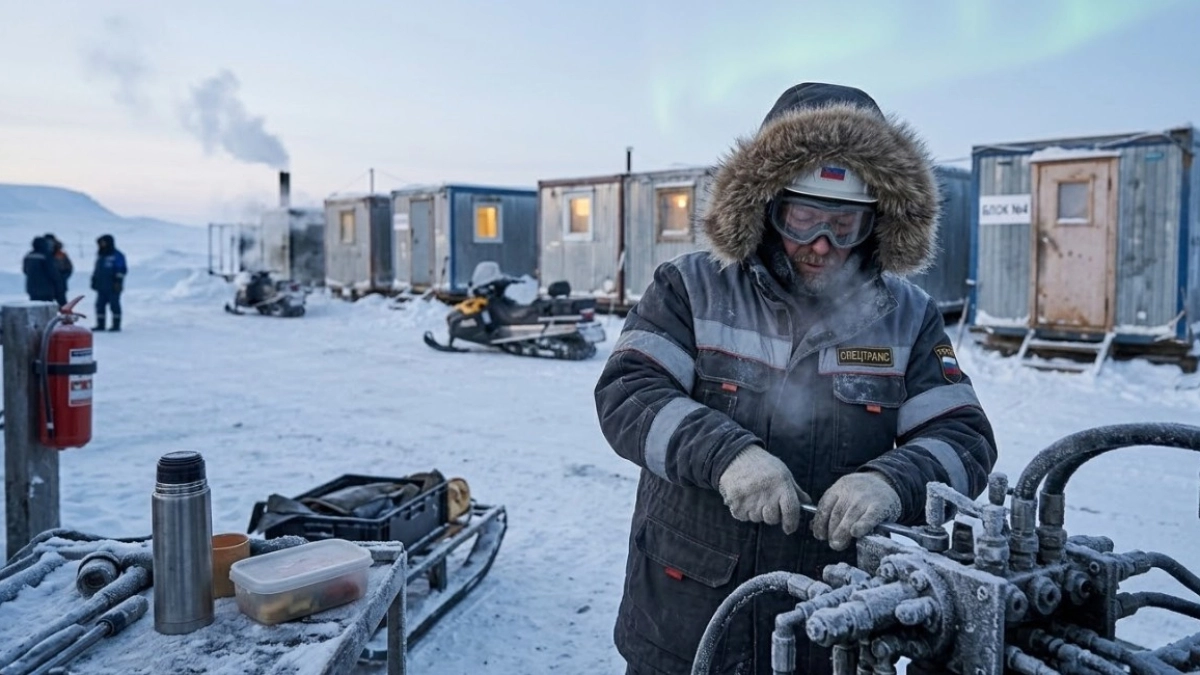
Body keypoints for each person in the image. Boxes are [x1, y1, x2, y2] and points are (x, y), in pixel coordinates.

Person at [594, 82, 998, 675]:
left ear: (879, 222)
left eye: (844, 223)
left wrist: (893, 482)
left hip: (830, 626)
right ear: (765, 205)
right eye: (803, 218)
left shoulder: (908, 316)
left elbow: (964, 436)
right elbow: (628, 393)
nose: (822, 245)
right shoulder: (691, 287)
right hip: (687, 618)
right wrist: (727, 456)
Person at [90, 233, 127, 332]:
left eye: (103, 242)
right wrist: (94, 280)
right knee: (99, 305)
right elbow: (97, 269)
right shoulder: (100, 255)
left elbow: (121, 269)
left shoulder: (117, 255)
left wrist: (118, 282)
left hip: (113, 286)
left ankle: (116, 325)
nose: (102, 244)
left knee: (114, 305)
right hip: (101, 286)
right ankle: (100, 325)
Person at [23, 236, 67, 307]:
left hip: (32, 289)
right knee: (46, 309)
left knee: (35, 308)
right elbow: (53, 273)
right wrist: (60, 288)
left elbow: (25, 270)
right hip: (47, 290)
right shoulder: (46, 256)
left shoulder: (29, 256)